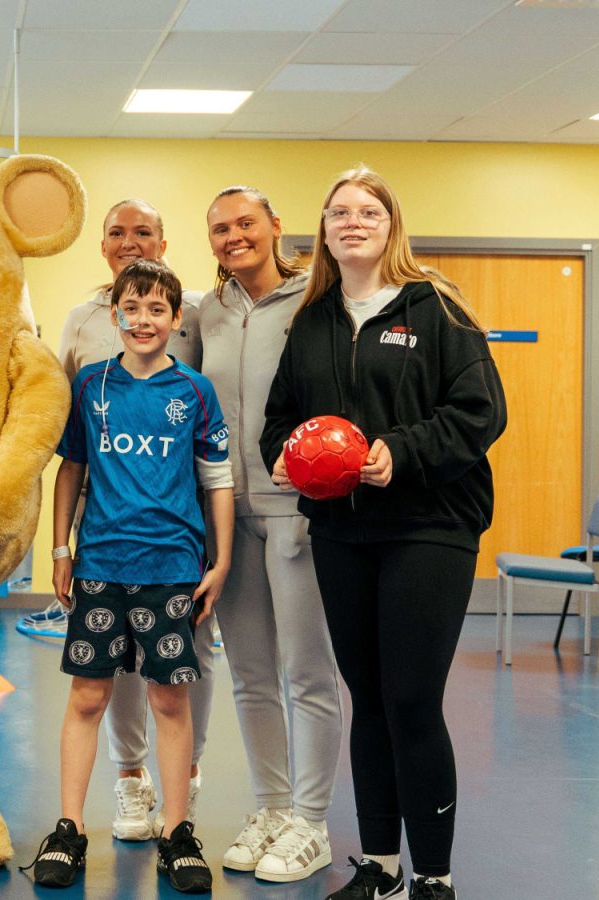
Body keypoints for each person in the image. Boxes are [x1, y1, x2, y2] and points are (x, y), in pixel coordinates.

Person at [261, 167, 506, 900]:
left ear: (391, 225)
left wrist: (401, 451)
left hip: (430, 526)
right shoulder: (312, 321)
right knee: (365, 696)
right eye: (339, 211)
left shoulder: (437, 308)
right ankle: (379, 868)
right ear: (325, 230)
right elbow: (283, 414)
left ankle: (433, 877)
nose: (353, 221)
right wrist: (284, 455)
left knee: (410, 699)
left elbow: (479, 412)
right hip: (343, 530)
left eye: (368, 210)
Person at [23, 259, 233, 894]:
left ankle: (176, 832)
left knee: (169, 699)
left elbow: (216, 478)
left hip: (172, 568)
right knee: (88, 697)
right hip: (99, 567)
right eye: (132, 308)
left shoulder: (194, 391)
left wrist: (220, 561)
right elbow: (71, 470)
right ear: (114, 314)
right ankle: (69, 829)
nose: (144, 320)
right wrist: (59, 549)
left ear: (175, 319)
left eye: (157, 310)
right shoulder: (91, 385)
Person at [51, 198, 211, 841]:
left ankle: (183, 789)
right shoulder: (83, 327)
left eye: (143, 231)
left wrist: (215, 551)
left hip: (176, 534)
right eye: (117, 232)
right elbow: (68, 438)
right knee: (104, 677)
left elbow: (209, 436)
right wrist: (60, 545)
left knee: (179, 673)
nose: (130, 241)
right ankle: (128, 780)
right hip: (103, 533)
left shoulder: (196, 313)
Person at [198, 186, 342, 883]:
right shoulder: (208, 310)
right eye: (220, 228)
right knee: (251, 674)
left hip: (297, 507)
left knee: (309, 673)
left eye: (245, 223)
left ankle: (312, 821)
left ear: (275, 226)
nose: (234, 237)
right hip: (227, 512)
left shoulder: (316, 298)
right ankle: (272, 810)